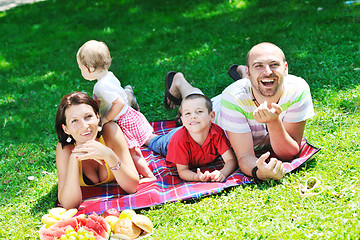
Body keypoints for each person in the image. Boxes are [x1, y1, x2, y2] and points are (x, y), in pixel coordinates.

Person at [163, 42, 315, 181]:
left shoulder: (298, 90)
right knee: (196, 103)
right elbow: (244, 156)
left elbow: (289, 152)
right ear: (250, 73)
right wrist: (259, 172)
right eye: (259, 66)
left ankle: (244, 74)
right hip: (213, 114)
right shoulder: (233, 98)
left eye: (274, 65)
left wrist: (273, 122)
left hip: (247, 92)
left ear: (286, 68)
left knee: (259, 84)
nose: (268, 72)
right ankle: (179, 82)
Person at [76, 40, 156, 183]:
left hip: (123, 120)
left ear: (88, 68)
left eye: (80, 68)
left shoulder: (102, 86)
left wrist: (106, 118)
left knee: (131, 153)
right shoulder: (109, 76)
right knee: (133, 151)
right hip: (127, 115)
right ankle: (142, 172)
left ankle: (149, 176)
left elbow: (118, 103)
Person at [55, 92, 140, 209]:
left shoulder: (111, 131)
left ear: (97, 117)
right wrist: (74, 159)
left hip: (125, 125)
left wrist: (109, 155)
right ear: (66, 129)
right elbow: (69, 205)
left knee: (127, 112)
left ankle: (128, 95)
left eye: (88, 116)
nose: (84, 126)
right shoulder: (65, 149)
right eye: (74, 121)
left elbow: (132, 187)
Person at [148, 93, 238, 182]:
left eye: (199, 111)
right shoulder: (177, 140)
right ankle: (142, 132)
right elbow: (183, 171)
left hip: (189, 128)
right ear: (182, 120)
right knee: (152, 141)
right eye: (188, 113)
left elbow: (231, 160)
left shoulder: (217, 133)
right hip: (169, 141)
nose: (193, 116)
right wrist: (197, 177)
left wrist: (222, 173)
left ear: (211, 116)